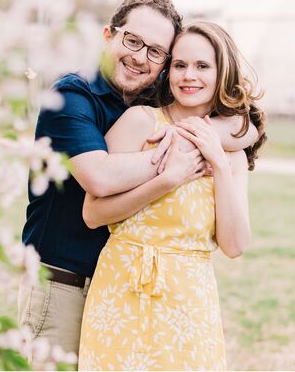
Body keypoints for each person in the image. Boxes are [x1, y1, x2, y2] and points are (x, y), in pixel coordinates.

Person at [18, 0, 260, 360]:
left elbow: (247, 124)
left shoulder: (145, 96)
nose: (139, 57)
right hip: (65, 283)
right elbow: (98, 181)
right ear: (108, 36)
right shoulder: (73, 96)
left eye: (156, 51)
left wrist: (213, 148)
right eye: (132, 41)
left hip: (180, 302)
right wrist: (173, 166)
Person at [77, 21, 267, 370]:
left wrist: (219, 164)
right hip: (121, 292)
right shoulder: (140, 122)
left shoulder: (232, 153)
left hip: (189, 302)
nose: (188, 76)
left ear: (222, 73)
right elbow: (92, 214)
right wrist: (166, 181)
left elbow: (235, 245)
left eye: (202, 66)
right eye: (179, 65)